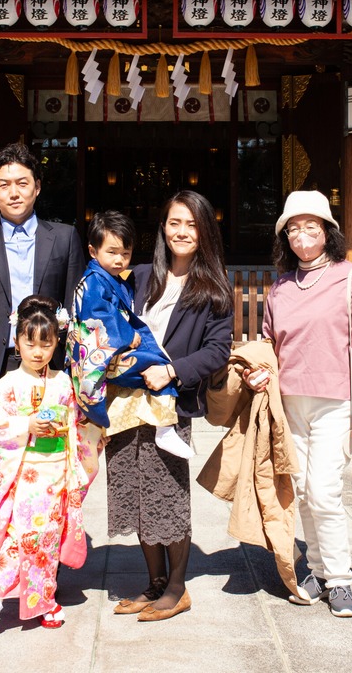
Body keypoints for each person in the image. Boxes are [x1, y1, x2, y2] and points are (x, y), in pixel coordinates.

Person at [0, 142, 86, 611]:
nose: (13, 191)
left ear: (37, 187)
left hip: (47, 369)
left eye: (22, 182)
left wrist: (72, 378)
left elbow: (75, 308)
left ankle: (43, 566)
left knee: (47, 469)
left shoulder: (63, 238)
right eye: (4, 184)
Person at [248, 189, 352, 618]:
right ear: (284, 237)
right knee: (302, 492)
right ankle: (320, 570)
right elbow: (271, 344)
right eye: (293, 228)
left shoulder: (351, 278)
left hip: (335, 402)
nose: (301, 235)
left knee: (325, 492)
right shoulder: (281, 287)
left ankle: (340, 579)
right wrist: (259, 372)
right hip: (289, 404)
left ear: (328, 232)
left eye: (311, 226)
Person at [105, 190, 233, 622]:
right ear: (163, 227)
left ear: (204, 231)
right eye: (174, 222)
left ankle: (177, 588)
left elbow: (218, 350)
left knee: (167, 496)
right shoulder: (139, 276)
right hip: (126, 403)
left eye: (191, 224)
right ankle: (154, 582)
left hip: (169, 406)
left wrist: (174, 370)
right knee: (136, 494)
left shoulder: (214, 287)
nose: (182, 231)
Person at [0, 295, 104, 638]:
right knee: (20, 538)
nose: (38, 351)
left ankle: (44, 600)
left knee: (48, 540)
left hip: (57, 474)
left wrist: (92, 432)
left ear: (57, 342)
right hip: (24, 475)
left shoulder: (63, 382)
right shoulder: (6, 386)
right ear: (17, 341)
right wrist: (27, 427)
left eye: (46, 343)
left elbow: (76, 421)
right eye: (30, 342)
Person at [68, 210, 194, 459]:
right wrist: (127, 335)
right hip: (100, 355)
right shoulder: (94, 281)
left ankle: (161, 427)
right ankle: (165, 428)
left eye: (125, 254)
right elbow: (99, 317)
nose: (119, 260)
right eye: (112, 252)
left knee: (157, 364)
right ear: (93, 251)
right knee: (157, 365)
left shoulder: (111, 278)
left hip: (110, 352)